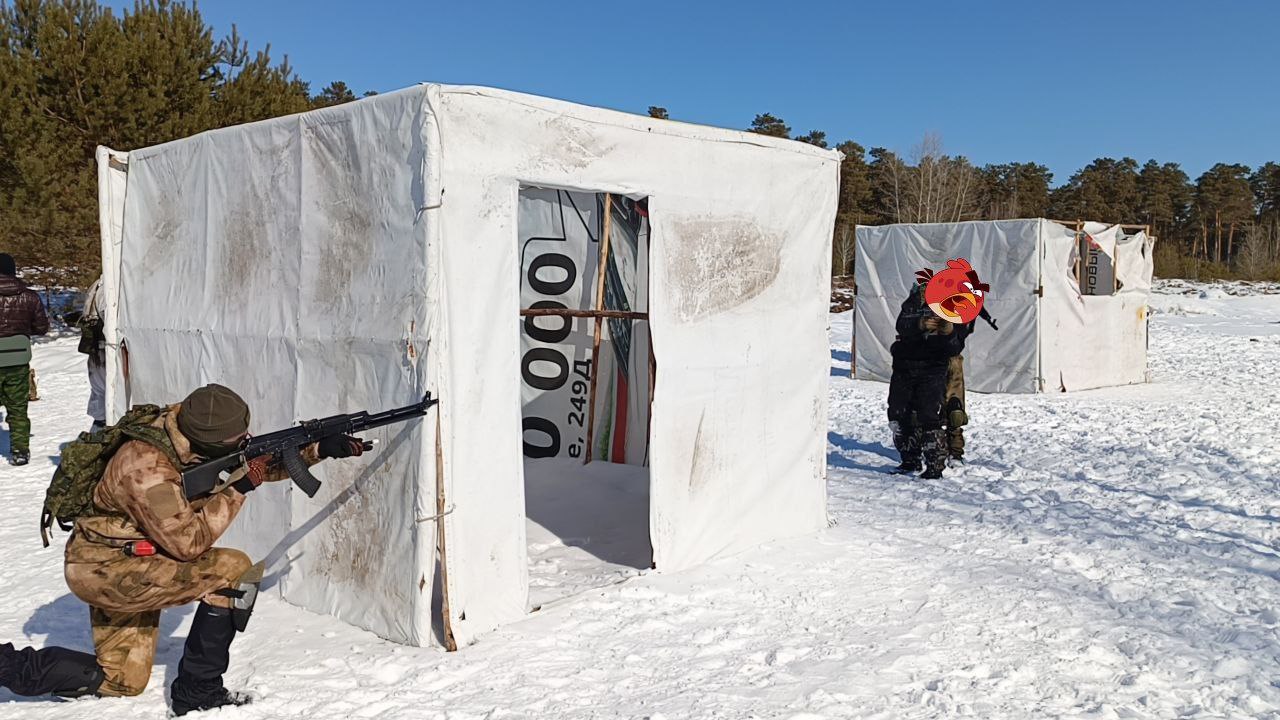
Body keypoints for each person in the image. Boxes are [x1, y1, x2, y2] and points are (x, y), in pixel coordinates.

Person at [0, 384, 367, 715]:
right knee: (233, 569)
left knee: (123, 680)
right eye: (237, 439)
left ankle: (6, 666)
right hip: (108, 570)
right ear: (210, 441)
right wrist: (238, 491)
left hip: (125, 554)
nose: (246, 440)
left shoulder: (185, 427)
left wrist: (318, 450)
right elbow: (189, 543)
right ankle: (198, 691)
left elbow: (246, 464)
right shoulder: (146, 470)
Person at [887, 282, 971, 479]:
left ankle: (936, 464)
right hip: (905, 367)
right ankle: (910, 459)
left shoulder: (954, 308)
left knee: (932, 416)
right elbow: (901, 325)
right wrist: (920, 324)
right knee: (900, 414)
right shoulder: (913, 303)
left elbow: (955, 346)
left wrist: (948, 331)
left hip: (933, 368)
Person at [0, 252, 50, 465]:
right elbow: (41, 327)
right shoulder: (30, 296)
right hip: (18, 359)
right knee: (18, 407)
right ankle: (20, 451)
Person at [63, 276, 108, 431]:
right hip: (105, 349)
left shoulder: (97, 285)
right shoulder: (109, 287)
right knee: (106, 392)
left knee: (100, 391)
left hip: (98, 350)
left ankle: (98, 431)